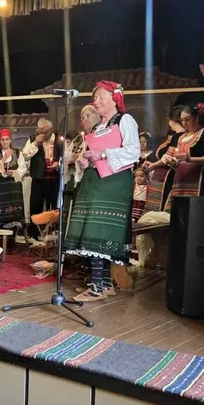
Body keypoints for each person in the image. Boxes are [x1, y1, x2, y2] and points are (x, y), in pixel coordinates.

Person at [64, 81, 139, 301]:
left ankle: (97, 287)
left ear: (114, 98)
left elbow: (133, 151)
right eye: (95, 97)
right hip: (93, 182)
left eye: (100, 97)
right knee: (94, 233)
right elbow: (91, 154)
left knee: (99, 232)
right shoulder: (97, 128)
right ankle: (104, 285)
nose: (96, 101)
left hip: (113, 183)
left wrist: (103, 154)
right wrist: (84, 161)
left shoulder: (125, 120)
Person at [162, 103, 204, 210]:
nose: (184, 123)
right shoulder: (181, 137)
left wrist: (190, 159)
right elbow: (177, 162)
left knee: (194, 212)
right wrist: (172, 163)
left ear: (196, 118)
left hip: (198, 180)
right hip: (179, 182)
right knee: (176, 211)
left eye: (187, 119)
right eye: (182, 120)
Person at [22, 118, 63, 238]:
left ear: (51, 130)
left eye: (45, 132)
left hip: (54, 179)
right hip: (38, 178)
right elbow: (25, 155)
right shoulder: (33, 138)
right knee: (35, 206)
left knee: (54, 207)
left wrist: (58, 163)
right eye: (40, 132)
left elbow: (64, 156)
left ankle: (53, 234)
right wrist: (35, 143)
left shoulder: (58, 139)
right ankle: (34, 235)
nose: (42, 134)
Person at [142, 105, 185, 213]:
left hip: (168, 175)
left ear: (171, 120)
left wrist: (154, 165)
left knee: (163, 208)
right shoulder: (177, 136)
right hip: (163, 174)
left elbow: (169, 157)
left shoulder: (178, 136)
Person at [0, 128, 27, 225]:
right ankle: (1, 227)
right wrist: (3, 159)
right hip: (0, 186)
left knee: (16, 209)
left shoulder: (17, 152)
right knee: (1, 210)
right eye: (2, 140)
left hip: (14, 185)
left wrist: (14, 172)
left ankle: (16, 228)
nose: (5, 142)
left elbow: (23, 168)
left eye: (7, 139)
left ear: (11, 140)